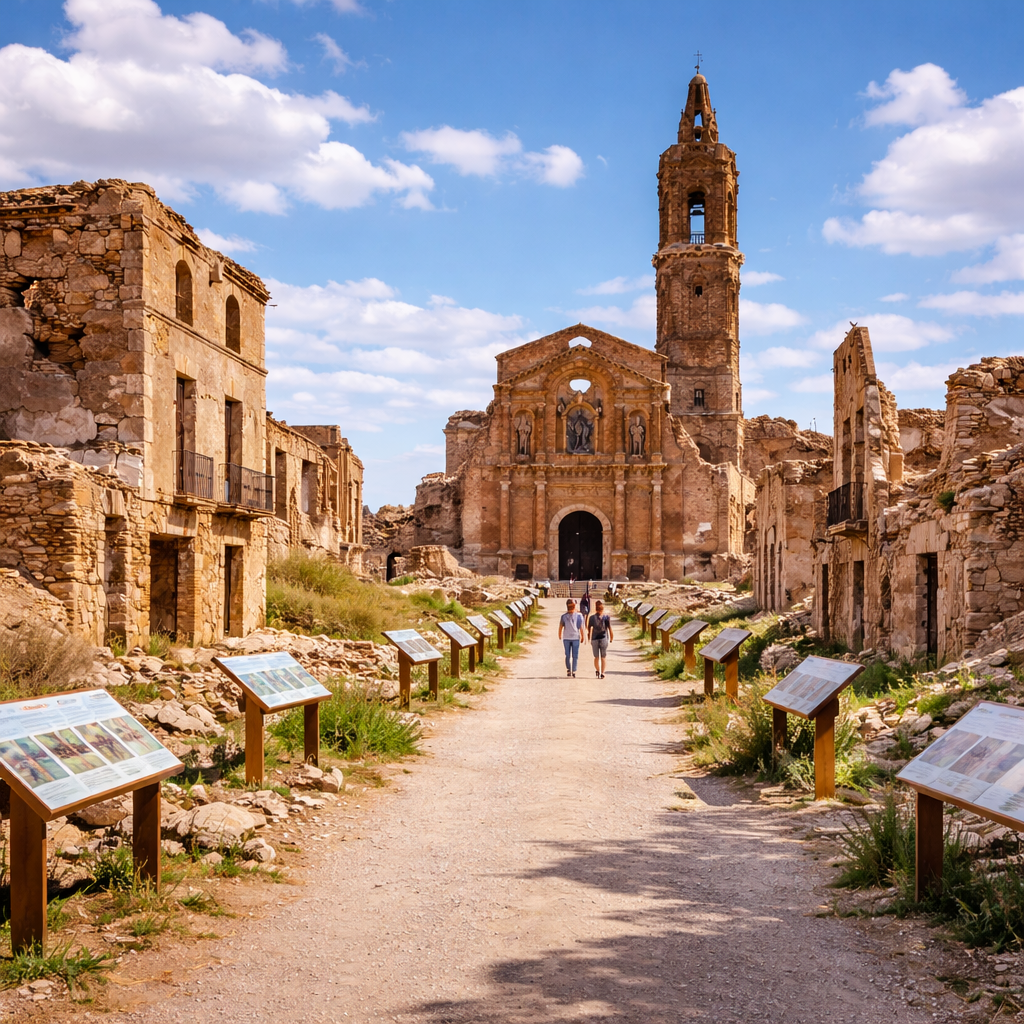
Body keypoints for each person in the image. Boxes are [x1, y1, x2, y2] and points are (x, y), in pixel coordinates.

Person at [558, 598, 585, 677]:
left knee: (572, 655)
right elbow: (561, 626)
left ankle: (573, 670)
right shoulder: (564, 616)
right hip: (569, 638)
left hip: (573, 637)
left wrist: (583, 635)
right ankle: (570, 669)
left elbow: (581, 627)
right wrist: (559, 634)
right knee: (570, 655)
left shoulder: (578, 616)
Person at [587, 599, 613, 678]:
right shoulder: (606, 617)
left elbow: (589, 629)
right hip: (604, 638)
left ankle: (598, 670)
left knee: (596, 657)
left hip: (594, 638)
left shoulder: (591, 618)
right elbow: (609, 628)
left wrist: (589, 638)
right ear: (602, 609)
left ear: (596, 609)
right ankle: (603, 672)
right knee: (603, 657)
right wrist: (611, 637)